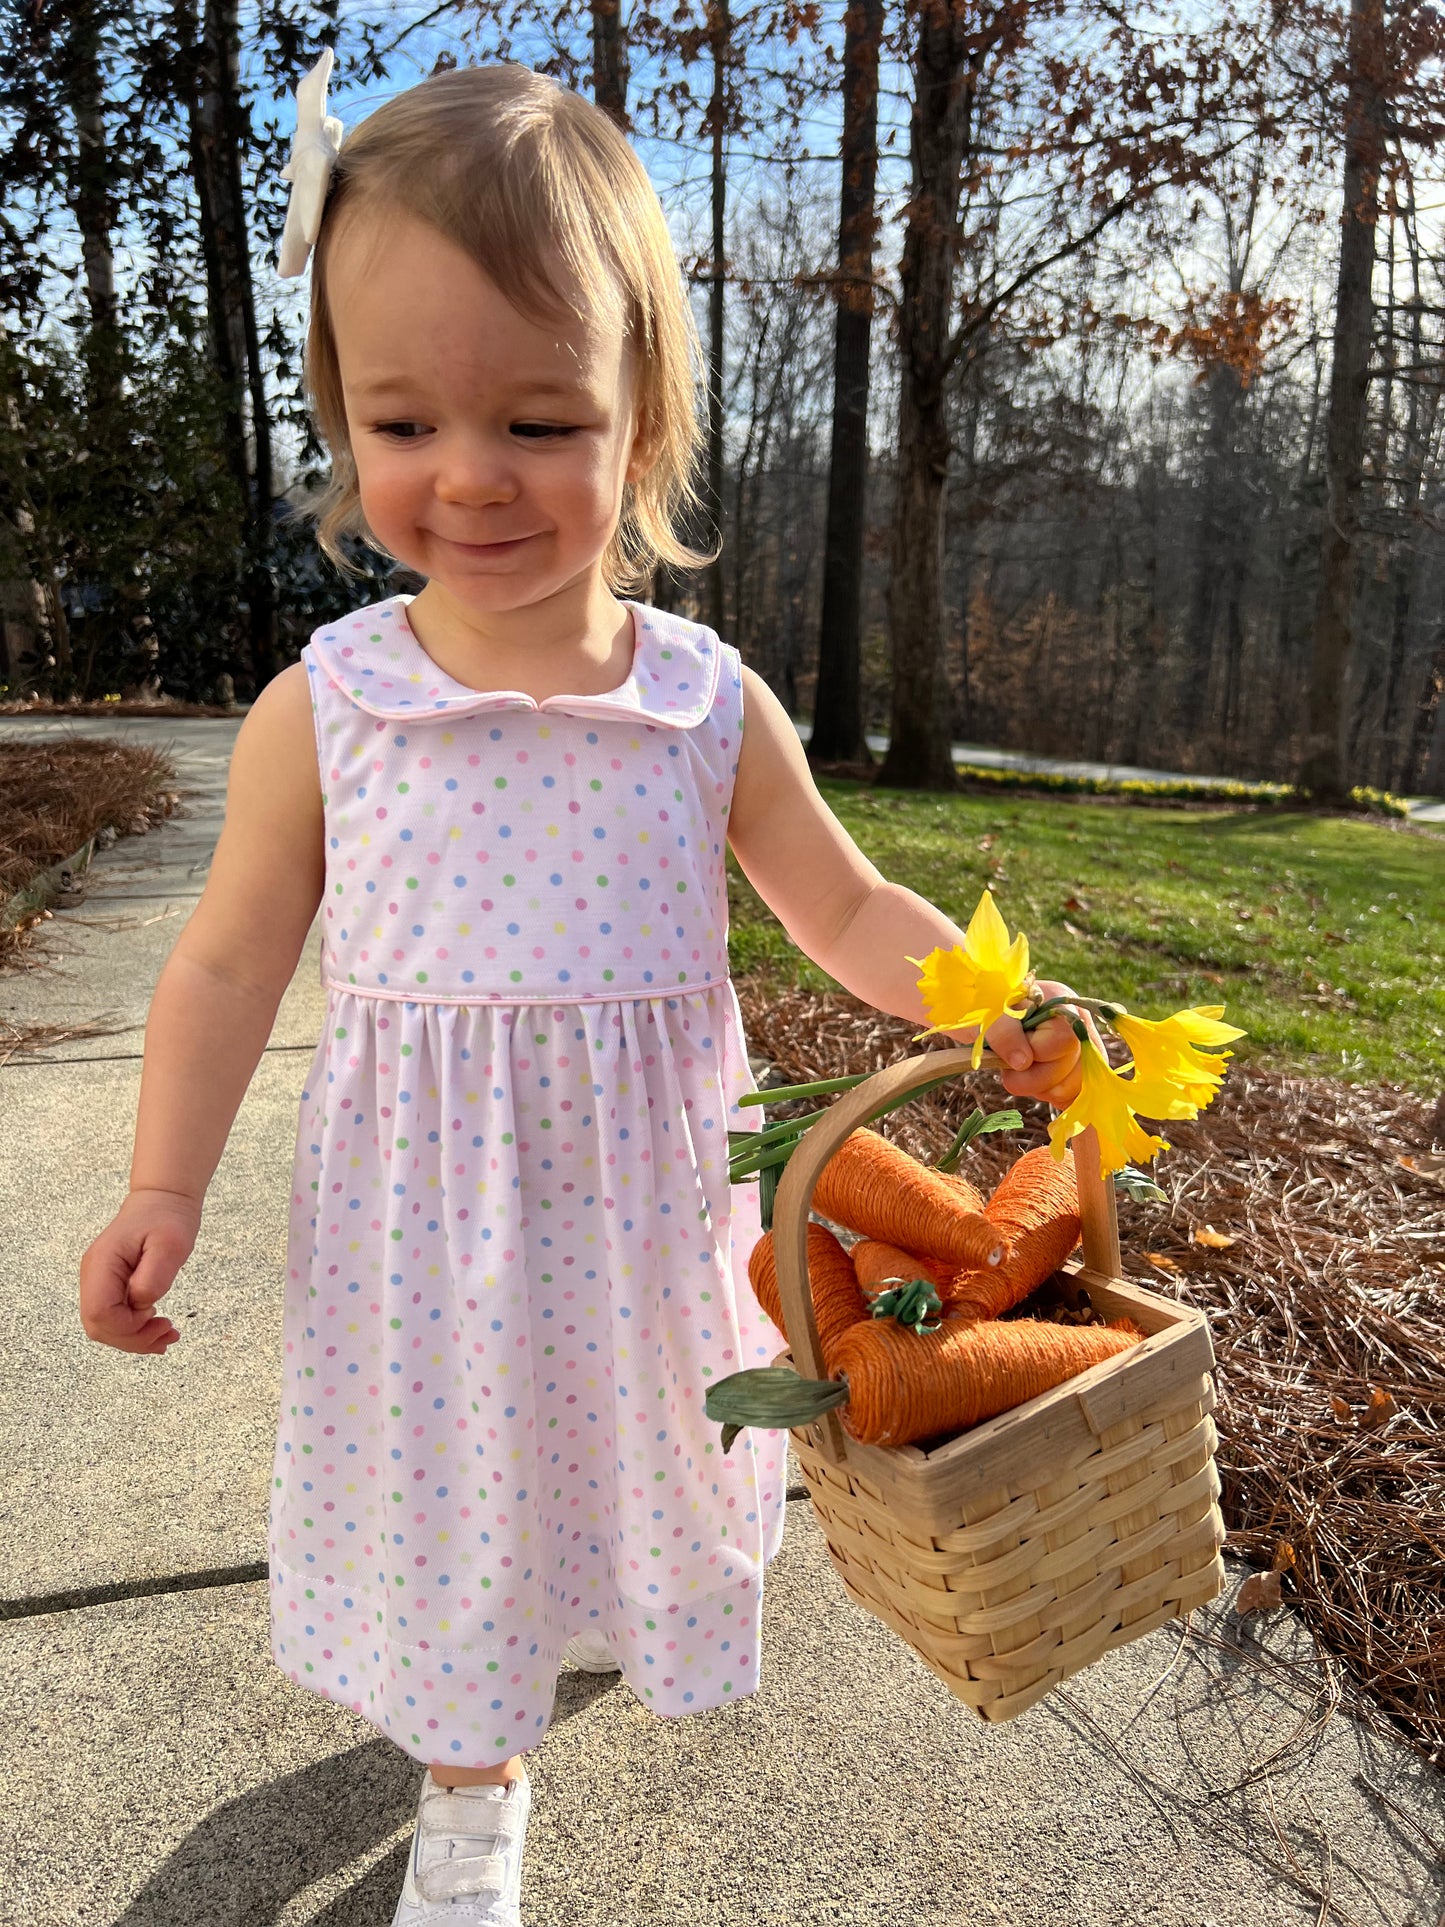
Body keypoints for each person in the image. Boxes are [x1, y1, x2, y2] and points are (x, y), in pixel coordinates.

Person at [78, 59, 1085, 1927]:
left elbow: (841, 906)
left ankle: (598, 1612)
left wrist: (977, 1006)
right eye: (403, 419)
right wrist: (163, 1185)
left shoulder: (700, 703)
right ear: (340, 422)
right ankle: (474, 1775)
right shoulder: (335, 706)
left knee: (631, 1453)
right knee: (460, 1487)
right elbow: (225, 956)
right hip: (423, 1226)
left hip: (639, 1205)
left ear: (640, 429)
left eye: (539, 419)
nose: (468, 474)